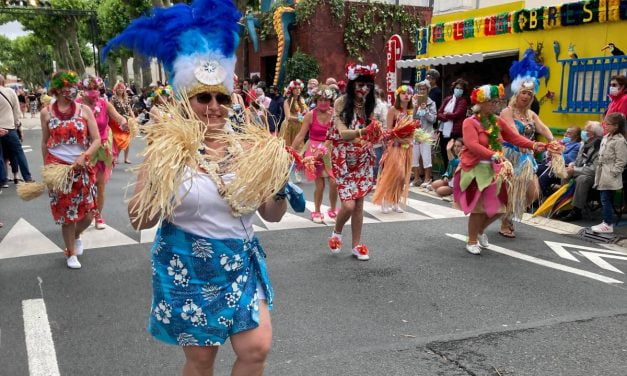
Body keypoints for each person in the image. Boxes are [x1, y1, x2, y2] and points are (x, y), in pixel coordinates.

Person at [105, 1, 289, 373]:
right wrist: (161, 182)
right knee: (202, 359)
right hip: (189, 265)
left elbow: (274, 214)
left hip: (240, 262)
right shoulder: (166, 152)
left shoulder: (249, 148)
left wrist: (279, 184)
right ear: (186, 101)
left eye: (222, 97)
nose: (214, 106)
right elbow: (139, 219)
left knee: (257, 347)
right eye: (204, 97)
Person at [453, 84, 545, 255]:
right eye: (491, 101)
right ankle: (472, 240)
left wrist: (535, 144)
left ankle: (479, 231)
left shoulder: (496, 121)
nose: (495, 104)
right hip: (475, 168)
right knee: (479, 208)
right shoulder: (469, 122)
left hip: (494, 169)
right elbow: (472, 145)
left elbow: (515, 137)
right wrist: (492, 154)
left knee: (501, 207)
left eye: (497, 101)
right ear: (481, 102)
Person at [40, 70, 101, 269]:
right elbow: (44, 142)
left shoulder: (84, 110)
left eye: (72, 86)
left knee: (90, 214)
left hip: (82, 168)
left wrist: (85, 156)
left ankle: (75, 236)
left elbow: (97, 139)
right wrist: (47, 168)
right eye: (65, 87)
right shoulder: (46, 112)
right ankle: (70, 252)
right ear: (56, 89)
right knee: (67, 216)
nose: (70, 90)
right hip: (58, 170)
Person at [327, 63, 381, 261]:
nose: (363, 89)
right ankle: (336, 232)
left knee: (358, 205)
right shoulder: (341, 102)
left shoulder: (369, 105)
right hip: (342, 158)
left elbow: (373, 132)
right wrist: (363, 132)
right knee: (348, 206)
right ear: (351, 84)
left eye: (367, 85)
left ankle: (356, 245)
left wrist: (376, 135)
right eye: (360, 85)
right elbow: (342, 133)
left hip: (362, 159)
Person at [499, 50, 553, 238]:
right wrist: (524, 142)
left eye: (530, 93)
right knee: (512, 190)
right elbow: (512, 131)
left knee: (533, 192)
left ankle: (509, 215)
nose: (527, 96)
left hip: (527, 157)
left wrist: (553, 142)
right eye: (523, 92)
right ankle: (505, 221)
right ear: (517, 92)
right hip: (511, 155)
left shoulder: (531, 114)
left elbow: (543, 128)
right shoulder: (507, 111)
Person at [77, 75, 127, 229]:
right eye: (89, 89)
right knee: (83, 185)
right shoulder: (76, 105)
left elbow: (119, 118)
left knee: (99, 185)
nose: (93, 92)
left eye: (95, 89)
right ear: (83, 90)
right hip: (83, 150)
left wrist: (124, 122)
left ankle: (98, 215)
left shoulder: (105, 104)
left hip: (102, 149)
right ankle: (83, 214)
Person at [291, 85, 338, 223]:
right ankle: (317, 211)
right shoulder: (310, 115)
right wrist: (290, 150)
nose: (323, 102)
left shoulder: (335, 114)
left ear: (330, 101)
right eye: (320, 100)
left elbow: (337, 134)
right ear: (316, 101)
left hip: (330, 150)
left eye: (326, 100)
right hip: (313, 151)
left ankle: (333, 209)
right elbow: (301, 135)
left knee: (334, 182)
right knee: (320, 185)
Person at [372, 84, 414, 213]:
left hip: (407, 148)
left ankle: (396, 201)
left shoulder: (411, 111)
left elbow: (412, 129)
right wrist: (401, 139)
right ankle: (385, 200)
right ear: (398, 95)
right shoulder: (392, 110)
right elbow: (389, 131)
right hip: (395, 147)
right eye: (403, 93)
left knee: (403, 177)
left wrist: (411, 139)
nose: (406, 95)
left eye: (408, 93)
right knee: (395, 174)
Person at [590, 113, 627, 233]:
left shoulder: (620, 140)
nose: (605, 125)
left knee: (606, 199)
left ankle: (608, 223)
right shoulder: (606, 137)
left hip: (609, 174)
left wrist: (613, 173)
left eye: (608, 124)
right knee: (604, 199)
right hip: (602, 172)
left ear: (616, 126)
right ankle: (606, 221)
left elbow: (621, 161)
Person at [561, 121, 604, 222]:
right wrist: (572, 165)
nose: (583, 132)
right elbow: (579, 161)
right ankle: (564, 205)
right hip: (583, 169)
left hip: (595, 175)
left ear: (593, 134)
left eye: (586, 131)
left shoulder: (599, 147)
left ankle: (576, 210)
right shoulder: (584, 144)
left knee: (582, 179)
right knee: (565, 173)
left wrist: (575, 170)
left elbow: (594, 169)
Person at [0, 74, 32, 188]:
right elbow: (16, 111)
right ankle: (27, 177)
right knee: (18, 152)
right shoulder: (10, 92)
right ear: (3, 82)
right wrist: (18, 126)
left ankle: (2, 180)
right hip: (9, 127)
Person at [537, 126, 581, 197]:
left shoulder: (577, 146)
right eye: (566, 132)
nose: (565, 134)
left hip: (560, 169)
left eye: (569, 133)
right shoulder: (560, 142)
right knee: (535, 170)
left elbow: (568, 159)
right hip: (549, 165)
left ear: (576, 137)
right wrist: (548, 153)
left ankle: (539, 199)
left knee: (544, 177)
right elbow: (544, 155)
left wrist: (554, 153)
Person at [437, 78, 468, 171]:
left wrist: (446, 115)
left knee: (455, 153)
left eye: (460, 88)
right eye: (457, 87)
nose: (458, 90)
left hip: (455, 132)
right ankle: (447, 173)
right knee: (444, 152)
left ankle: (454, 173)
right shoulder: (448, 99)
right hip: (444, 131)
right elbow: (438, 113)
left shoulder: (463, 101)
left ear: (463, 91)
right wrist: (446, 116)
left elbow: (457, 114)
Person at [412, 79, 437, 188]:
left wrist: (425, 109)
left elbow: (433, 119)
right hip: (417, 132)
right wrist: (415, 107)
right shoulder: (415, 101)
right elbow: (413, 117)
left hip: (427, 133)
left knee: (426, 157)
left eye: (424, 89)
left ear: (428, 90)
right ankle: (417, 178)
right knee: (415, 156)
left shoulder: (432, 103)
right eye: (420, 89)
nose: (421, 91)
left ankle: (427, 178)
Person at [111, 81, 135, 164]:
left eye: (122, 88)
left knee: (127, 140)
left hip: (127, 121)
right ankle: (116, 156)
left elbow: (129, 109)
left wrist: (133, 118)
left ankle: (126, 158)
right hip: (117, 121)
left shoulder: (126, 98)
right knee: (119, 140)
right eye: (119, 88)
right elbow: (111, 109)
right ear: (116, 89)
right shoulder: (113, 99)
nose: (120, 89)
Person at [281, 79, 307, 148]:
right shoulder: (287, 101)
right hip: (289, 126)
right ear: (291, 90)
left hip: (299, 126)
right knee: (287, 147)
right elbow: (288, 117)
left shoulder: (302, 100)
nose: (298, 90)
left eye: (299, 88)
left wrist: (305, 114)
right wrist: (301, 118)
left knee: (298, 148)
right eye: (295, 88)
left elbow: (305, 112)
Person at [372, 87, 389, 180]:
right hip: (364, 137)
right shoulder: (362, 103)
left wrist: (383, 135)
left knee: (377, 158)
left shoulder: (381, 106)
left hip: (378, 138)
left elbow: (385, 121)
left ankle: (376, 177)